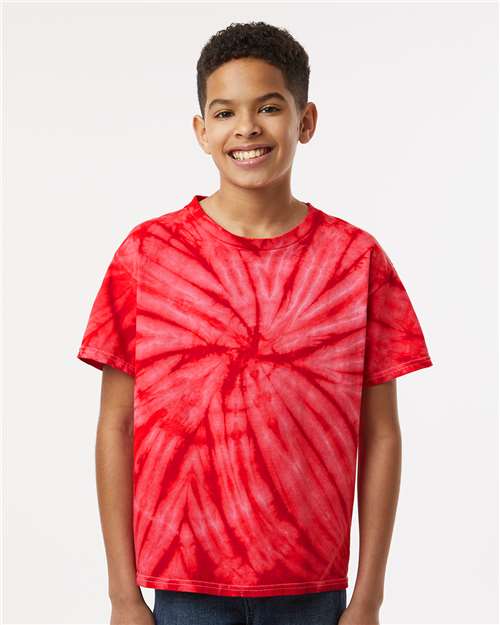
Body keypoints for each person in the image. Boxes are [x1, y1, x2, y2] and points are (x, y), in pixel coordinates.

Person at [77, 21, 433, 625]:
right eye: (225, 113)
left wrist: (369, 598)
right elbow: (116, 424)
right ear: (202, 131)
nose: (246, 128)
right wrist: (122, 595)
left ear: (305, 121)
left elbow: (382, 435)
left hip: (314, 590)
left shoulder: (355, 260)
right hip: (183, 588)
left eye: (269, 107)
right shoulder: (148, 254)